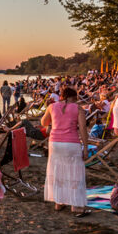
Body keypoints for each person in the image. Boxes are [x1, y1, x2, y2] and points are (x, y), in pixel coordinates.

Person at [40, 86, 90, 216]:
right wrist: (86, 147)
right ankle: (75, 206)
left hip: (55, 143)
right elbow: (83, 129)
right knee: (75, 173)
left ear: (62, 96)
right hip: (71, 143)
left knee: (57, 171)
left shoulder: (52, 106)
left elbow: (43, 121)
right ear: (73, 97)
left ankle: (59, 202)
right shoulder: (78, 108)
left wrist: (52, 123)